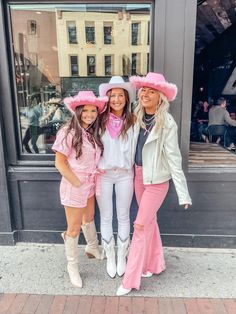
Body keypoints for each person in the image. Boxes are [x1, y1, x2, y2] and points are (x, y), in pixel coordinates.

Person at [116, 72, 192, 296]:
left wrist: (183, 193)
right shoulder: (135, 116)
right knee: (149, 222)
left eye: (152, 91)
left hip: (157, 182)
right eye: (144, 90)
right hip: (138, 176)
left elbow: (174, 159)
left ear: (161, 97)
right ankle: (155, 264)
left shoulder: (166, 123)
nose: (146, 94)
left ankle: (130, 280)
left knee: (139, 226)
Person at [52, 91, 107, 288]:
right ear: (78, 111)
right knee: (74, 228)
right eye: (86, 110)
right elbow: (60, 162)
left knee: (89, 217)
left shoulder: (92, 133)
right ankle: (72, 266)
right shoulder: (68, 132)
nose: (90, 114)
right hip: (75, 184)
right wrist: (77, 184)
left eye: (93, 111)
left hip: (90, 182)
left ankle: (92, 248)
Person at [96, 76, 136, 278]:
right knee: (105, 216)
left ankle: (122, 256)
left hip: (125, 175)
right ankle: (110, 256)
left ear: (126, 98)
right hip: (103, 175)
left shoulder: (133, 121)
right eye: (113, 96)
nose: (117, 99)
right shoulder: (98, 120)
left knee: (123, 216)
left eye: (121, 95)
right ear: (107, 98)